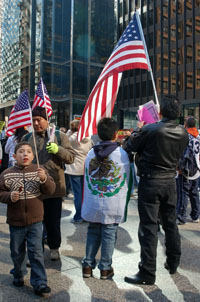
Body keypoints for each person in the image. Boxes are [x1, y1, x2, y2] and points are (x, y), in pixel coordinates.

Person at [123, 95, 188, 285]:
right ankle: (173, 262)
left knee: (148, 227)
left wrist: (139, 129)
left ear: (160, 112)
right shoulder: (183, 132)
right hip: (170, 181)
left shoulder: (150, 129)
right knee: (170, 224)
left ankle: (147, 272)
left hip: (151, 181)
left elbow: (129, 146)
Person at [0, 142, 56, 295]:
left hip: (36, 220)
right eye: (21, 152)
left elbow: (50, 190)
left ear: (33, 155)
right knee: (17, 252)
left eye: (28, 152)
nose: (25, 154)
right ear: (14, 155)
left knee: (36, 252)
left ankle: (40, 282)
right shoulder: (6, 174)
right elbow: (0, 193)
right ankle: (18, 273)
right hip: (16, 221)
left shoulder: (39, 170)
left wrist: (44, 179)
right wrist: (9, 196)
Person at [22, 106, 76, 260]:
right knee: (34, 223)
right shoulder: (27, 138)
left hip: (54, 187)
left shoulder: (59, 136)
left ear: (47, 120)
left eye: (39, 119)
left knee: (52, 221)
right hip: (33, 188)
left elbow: (71, 157)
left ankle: (54, 247)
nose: (36, 123)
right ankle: (36, 252)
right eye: (33, 120)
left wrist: (57, 149)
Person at [81, 117, 130, 279]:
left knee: (93, 230)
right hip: (112, 201)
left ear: (99, 134)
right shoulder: (121, 154)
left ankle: (87, 265)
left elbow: (87, 176)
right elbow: (128, 179)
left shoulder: (91, 153)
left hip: (94, 200)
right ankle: (105, 267)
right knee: (109, 232)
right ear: (116, 134)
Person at [65, 119, 93, 223]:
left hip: (74, 168)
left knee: (77, 194)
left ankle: (78, 216)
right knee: (84, 194)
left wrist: (69, 131)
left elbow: (65, 141)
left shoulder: (72, 138)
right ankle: (85, 215)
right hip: (85, 167)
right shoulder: (89, 138)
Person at [177, 117, 200, 224]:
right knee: (194, 193)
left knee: (184, 193)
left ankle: (182, 216)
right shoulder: (198, 136)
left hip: (186, 169)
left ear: (186, 124)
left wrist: (179, 168)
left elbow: (183, 154)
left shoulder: (186, 137)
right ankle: (195, 215)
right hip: (197, 169)